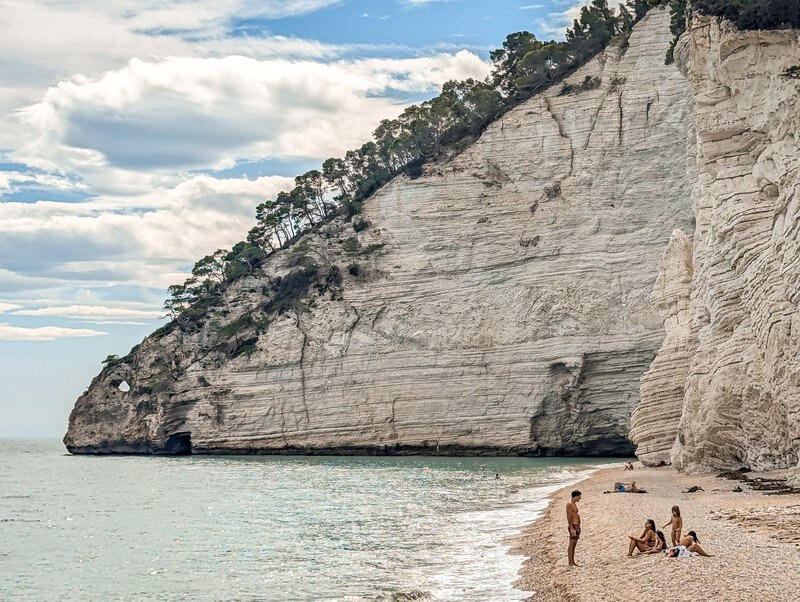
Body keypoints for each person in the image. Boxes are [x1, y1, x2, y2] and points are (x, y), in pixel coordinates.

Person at [566, 490, 581, 567]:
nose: (580, 498)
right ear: (575, 496)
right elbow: (569, 517)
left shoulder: (574, 504)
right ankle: (570, 562)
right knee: (571, 544)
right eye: (579, 497)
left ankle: (573, 561)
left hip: (577, 526)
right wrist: (572, 528)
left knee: (574, 544)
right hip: (574, 526)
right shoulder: (569, 505)